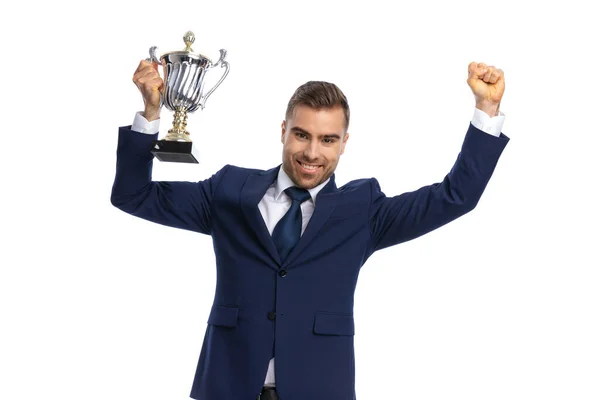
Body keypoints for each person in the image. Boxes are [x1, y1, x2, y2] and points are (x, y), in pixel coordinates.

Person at [111, 59, 510, 400]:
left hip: (320, 388)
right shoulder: (229, 191)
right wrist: (150, 112)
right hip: (227, 386)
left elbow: (455, 197)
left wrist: (486, 111)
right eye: (302, 135)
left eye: (327, 139)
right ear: (283, 130)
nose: (312, 153)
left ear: (344, 143)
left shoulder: (363, 210)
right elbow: (133, 195)